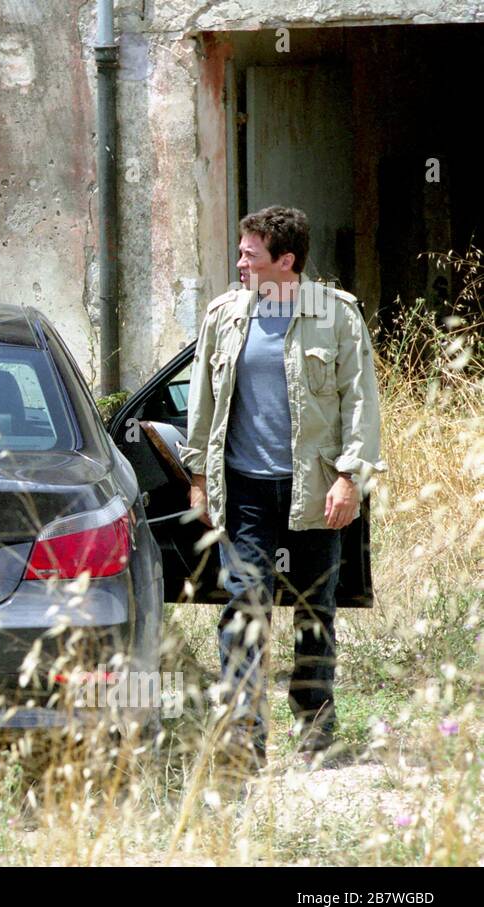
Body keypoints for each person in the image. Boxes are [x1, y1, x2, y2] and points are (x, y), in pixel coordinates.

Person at [178, 206, 386, 771]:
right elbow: (202, 401)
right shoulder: (227, 314)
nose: (240, 261)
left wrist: (350, 478)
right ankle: (243, 735)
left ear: (286, 261)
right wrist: (198, 477)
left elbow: (362, 401)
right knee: (243, 610)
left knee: (314, 611)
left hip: (315, 490)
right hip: (244, 490)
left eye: (251, 254)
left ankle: (317, 730)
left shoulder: (333, 313)